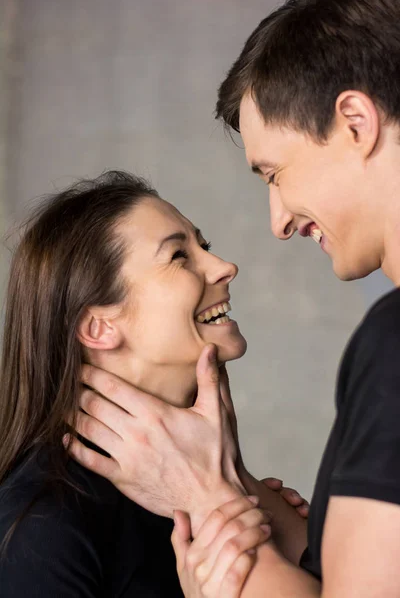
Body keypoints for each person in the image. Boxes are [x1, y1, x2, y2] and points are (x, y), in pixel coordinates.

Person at [65, 0, 400, 596]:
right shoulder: (44, 524)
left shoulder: (394, 341)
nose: (277, 221)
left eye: (274, 173)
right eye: (178, 254)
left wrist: (203, 492)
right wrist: (247, 498)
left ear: (355, 122)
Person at [0, 170, 307, 597]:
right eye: (180, 257)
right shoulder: (41, 524)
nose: (224, 267)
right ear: (99, 327)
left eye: (205, 247)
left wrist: (243, 496)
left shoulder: (219, 480)